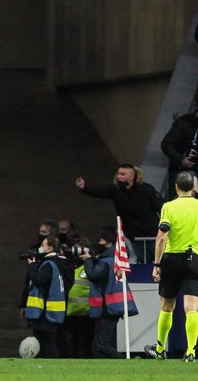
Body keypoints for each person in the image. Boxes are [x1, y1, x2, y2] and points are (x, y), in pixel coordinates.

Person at [145, 171, 198, 362]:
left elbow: (162, 236)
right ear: (193, 188)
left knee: (167, 305)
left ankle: (160, 350)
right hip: (195, 259)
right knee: (192, 307)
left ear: (176, 188)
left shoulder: (169, 207)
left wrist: (157, 263)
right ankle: (191, 351)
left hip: (172, 258)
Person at [76, 164, 163, 261]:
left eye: (122, 174)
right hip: (134, 236)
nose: (119, 176)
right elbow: (99, 191)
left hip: (154, 236)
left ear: (132, 176)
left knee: (160, 262)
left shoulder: (147, 189)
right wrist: (85, 187)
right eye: (118, 174)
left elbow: (161, 207)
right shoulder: (115, 190)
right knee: (143, 263)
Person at [80, 227, 124, 358]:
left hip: (108, 308)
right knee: (96, 347)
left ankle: (125, 362)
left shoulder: (107, 262)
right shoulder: (112, 259)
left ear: (109, 243)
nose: (99, 243)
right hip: (109, 306)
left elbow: (93, 275)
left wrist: (88, 260)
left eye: (101, 240)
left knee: (101, 345)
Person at [24, 236, 68, 358]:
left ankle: (51, 366)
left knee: (47, 342)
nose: (40, 248)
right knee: (47, 341)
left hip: (44, 311)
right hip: (51, 310)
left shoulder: (49, 264)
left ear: (50, 248)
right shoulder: (58, 263)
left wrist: (32, 266)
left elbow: (38, 281)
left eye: (43, 245)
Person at [161, 109, 198, 199]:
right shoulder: (183, 124)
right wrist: (181, 159)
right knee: (177, 200)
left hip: (195, 170)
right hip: (179, 171)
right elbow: (166, 144)